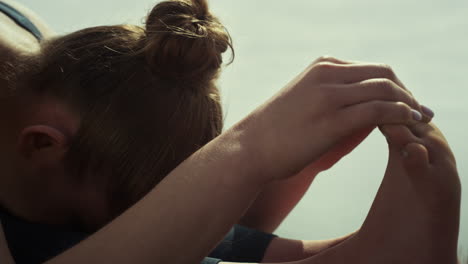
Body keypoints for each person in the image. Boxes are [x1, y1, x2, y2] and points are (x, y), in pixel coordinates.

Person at [0, 0, 461, 263]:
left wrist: (285, 169)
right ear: (41, 143)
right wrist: (248, 151)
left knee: (126, 218)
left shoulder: (48, 69)